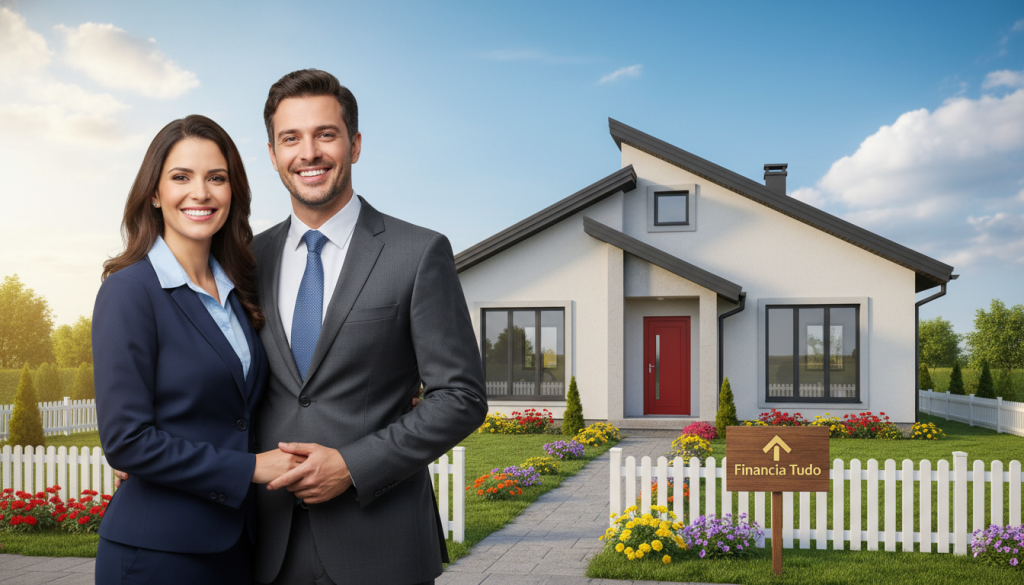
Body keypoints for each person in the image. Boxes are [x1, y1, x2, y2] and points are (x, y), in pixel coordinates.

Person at [249, 69, 487, 585]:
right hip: (265, 545)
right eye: (291, 138)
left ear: (354, 145)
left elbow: (461, 396)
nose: (308, 153)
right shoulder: (246, 261)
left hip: (382, 542)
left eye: (325, 134)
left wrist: (352, 465)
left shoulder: (418, 253)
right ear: (272, 154)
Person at [92, 115, 305, 585]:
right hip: (158, 552)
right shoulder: (129, 292)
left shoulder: (240, 290)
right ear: (154, 192)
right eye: (181, 177)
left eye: (216, 178)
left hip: (240, 548)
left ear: (233, 191)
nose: (201, 193)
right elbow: (126, 440)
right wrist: (251, 468)